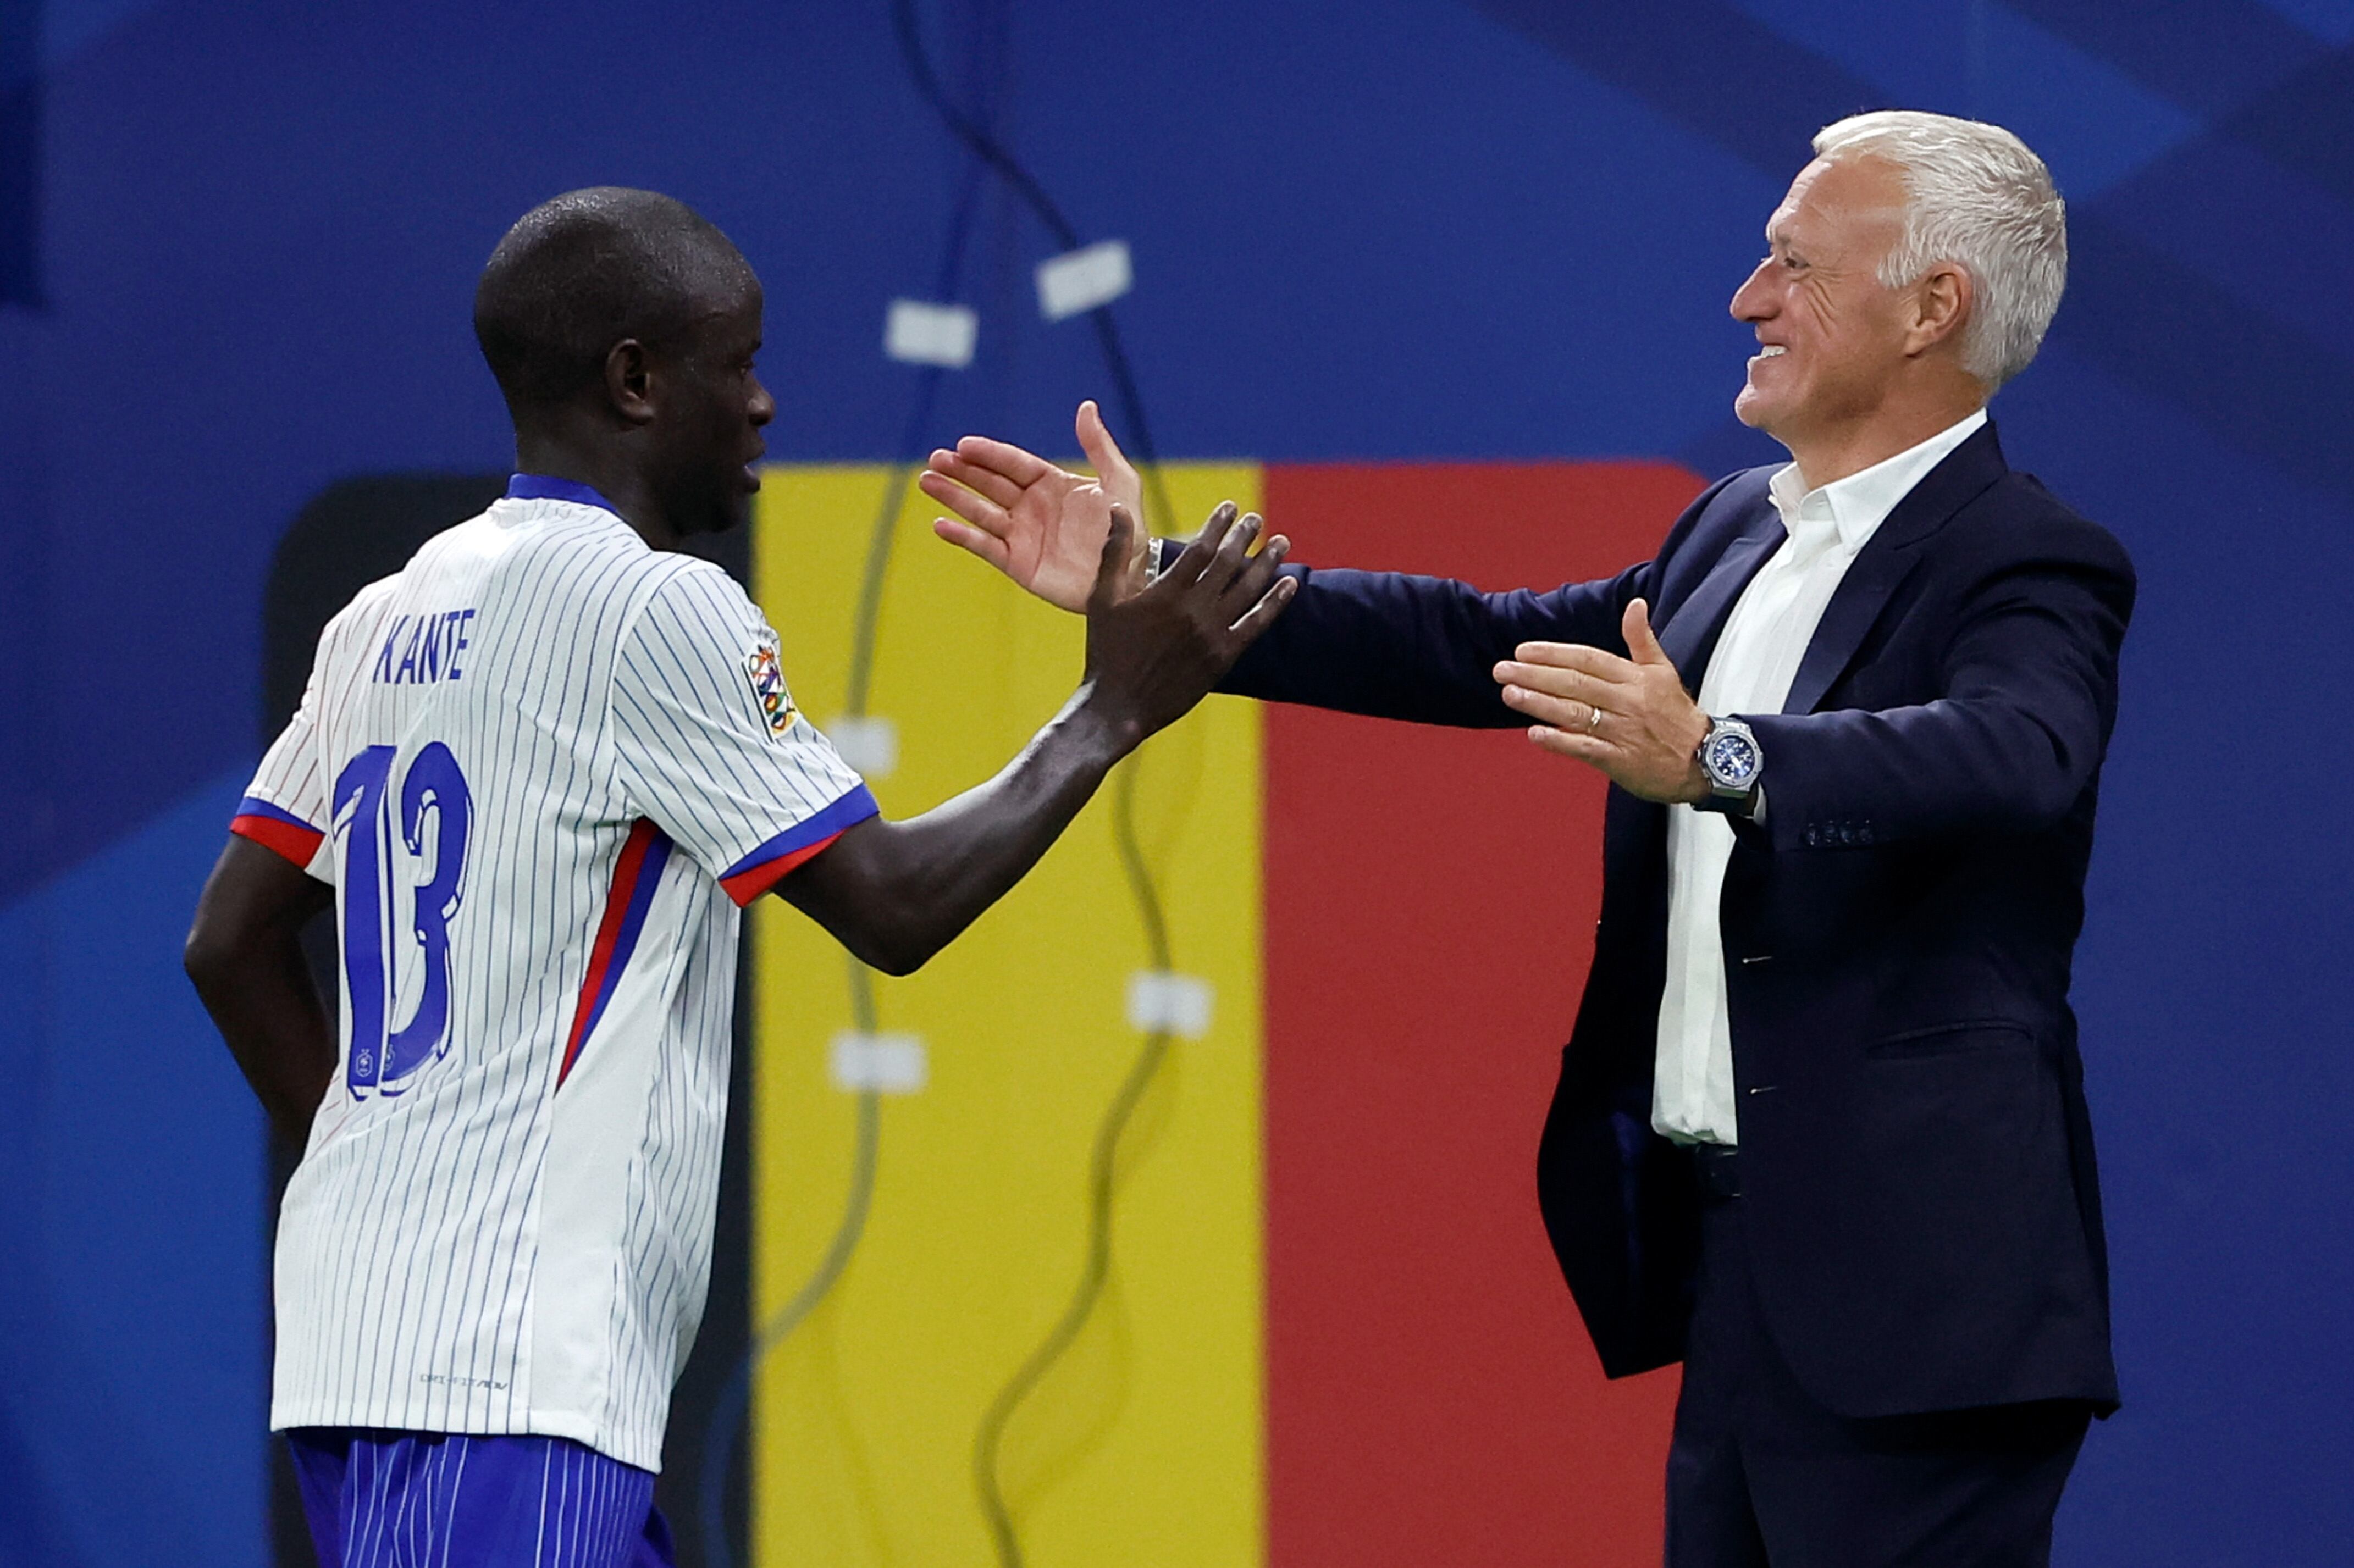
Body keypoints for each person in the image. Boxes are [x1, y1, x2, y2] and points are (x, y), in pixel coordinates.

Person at [921, 111, 2133, 1565]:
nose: (1747, 301)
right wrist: (1160, 580)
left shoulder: (2026, 553)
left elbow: (2022, 753)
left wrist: (1720, 755)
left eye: (1792, 266)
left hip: (1924, 1307)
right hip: (1737, 1268)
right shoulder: (1729, 532)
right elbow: (1472, 644)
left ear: (1934, 305)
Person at [183, 186, 1293, 1567]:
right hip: (509, 1375)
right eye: (740, 362)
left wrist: (376, 1174)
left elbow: (230, 941)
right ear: (636, 381)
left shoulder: (386, 612)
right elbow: (890, 905)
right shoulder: (655, 607)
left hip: (386, 1351)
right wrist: (1108, 709)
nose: (764, 404)